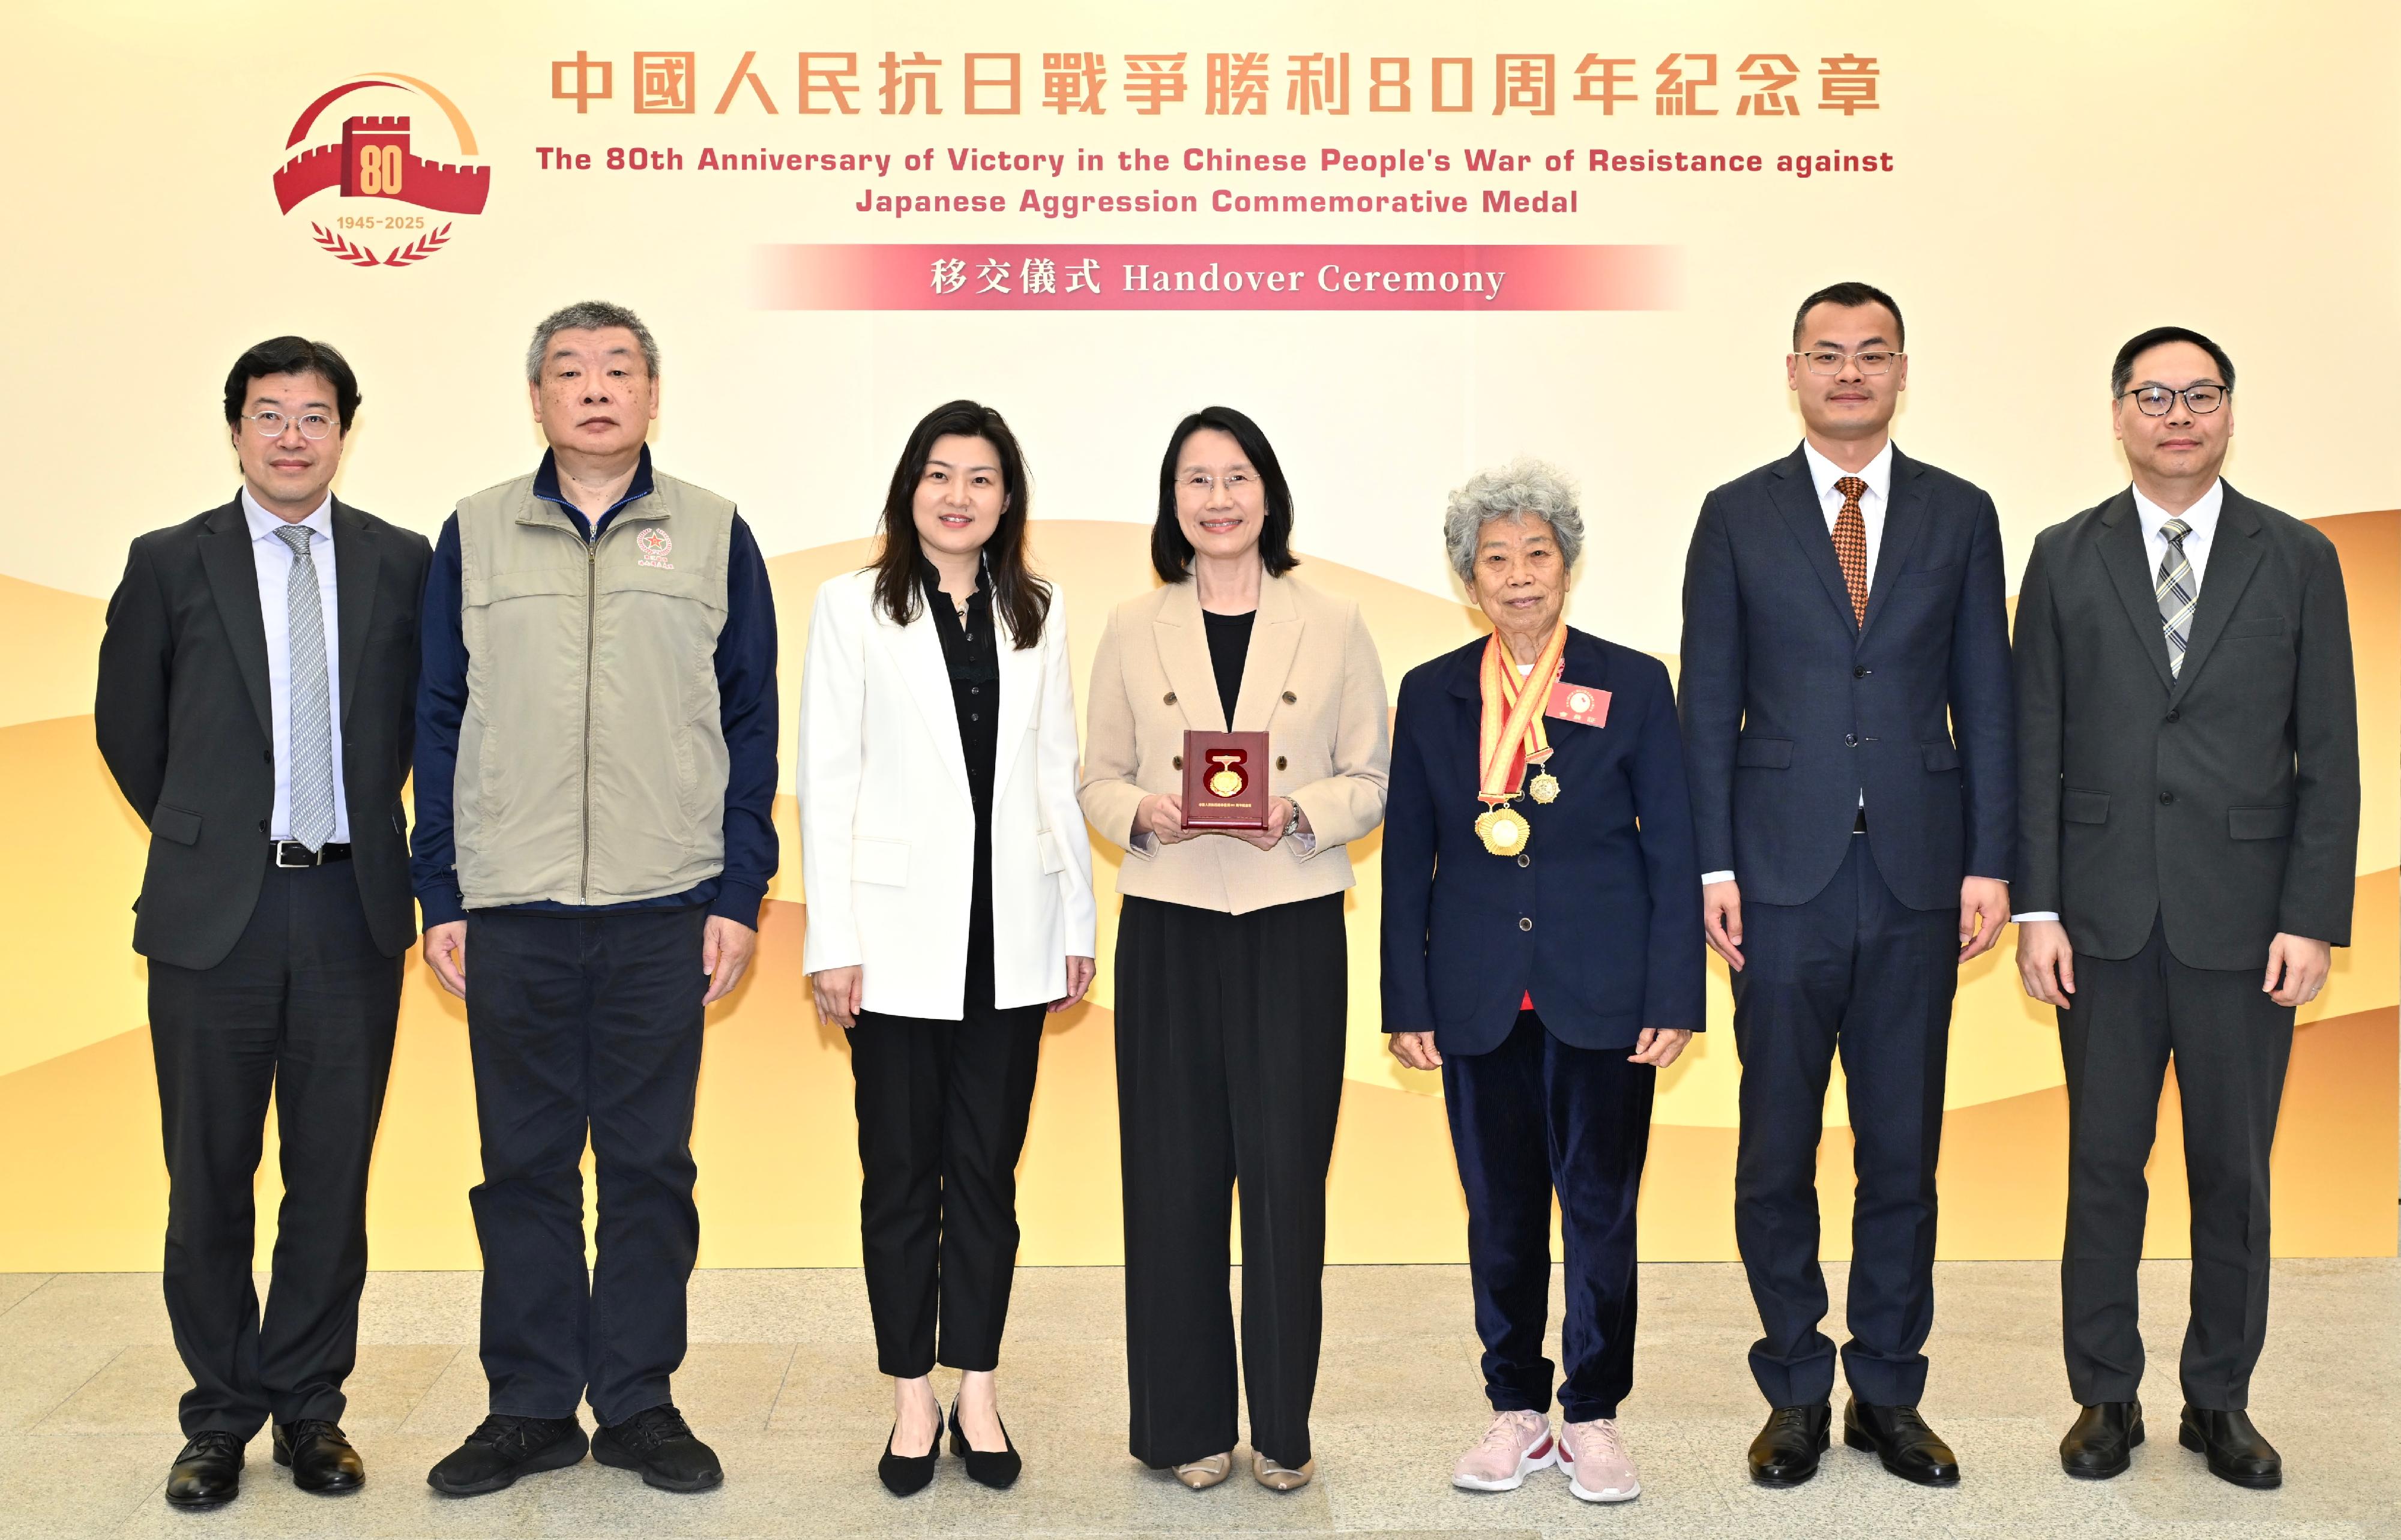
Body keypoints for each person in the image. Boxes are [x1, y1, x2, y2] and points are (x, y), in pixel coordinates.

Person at [411, 301, 779, 1497]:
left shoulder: (717, 533)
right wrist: (441, 889)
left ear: (651, 395)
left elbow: (748, 724)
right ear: (537, 399)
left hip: (662, 905)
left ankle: (635, 1399)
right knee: (520, 1165)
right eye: (569, 371)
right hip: (510, 905)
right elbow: (437, 716)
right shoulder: (471, 536)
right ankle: (525, 1403)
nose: (595, 388)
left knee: (646, 1166)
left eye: (618, 368)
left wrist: (737, 889)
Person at [1678, 281, 2014, 1488]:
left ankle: (1885, 1389)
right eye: (1826, 353)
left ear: (1900, 369)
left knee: (1900, 1150)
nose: (1849, 372)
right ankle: (1791, 1390)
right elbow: (1703, 702)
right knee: (1773, 1148)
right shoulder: (1734, 514)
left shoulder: (1959, 513)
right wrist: (1709, 862)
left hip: (1920, 873)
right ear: (1792, 370)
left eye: (1871, 353)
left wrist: (1990, 858)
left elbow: (1986, 695)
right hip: (1774, 875)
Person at [2013, 326, 2358, 1490]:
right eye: (2151, 395)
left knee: (2233, 1171)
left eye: (2197, 394)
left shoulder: (2296, 556)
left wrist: (2309, 915)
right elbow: (2035, 747)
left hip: (2244, 922)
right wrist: (2035, 908)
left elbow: (2330, 754)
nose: (2175, 414)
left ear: (2226, 412)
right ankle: (2101, 1394)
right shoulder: (2062, 557)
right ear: (2114, 413)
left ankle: (2218, 1399)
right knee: (2102, 1166)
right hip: (2097, 923)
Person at [95, 338, 430, 1509]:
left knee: (330, 1177)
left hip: (350, 907)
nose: (293, 436)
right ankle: (218, 1418)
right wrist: (208, 832)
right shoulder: (168, 561)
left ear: (347, 430)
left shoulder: (402, 563)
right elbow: (128, 731)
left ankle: (310, 1412)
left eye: (316, 415)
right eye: (270, 415)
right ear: (235, 429)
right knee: (209, 1178)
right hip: (212, 919)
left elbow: (422, 730)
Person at [1078, 406, 1390, 1493]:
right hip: (1168, 921)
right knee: (1170, 1180)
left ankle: (1285, 1426)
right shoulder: (1131, 623)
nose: (1218, 498)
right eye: (1196, 480)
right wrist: (1144, 813)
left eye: (1237, 476)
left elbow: (1372, 777)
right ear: (1173, 502)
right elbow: (1095, 779)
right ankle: (1185, 1426)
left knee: (1286, 1178)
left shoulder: (1336, 619)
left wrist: (1300, 812)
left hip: (1290, 919)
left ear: (1269, 493)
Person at [1382, 462, 1702, 1504]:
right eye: (1495, 560)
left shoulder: (1635, 681)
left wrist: (1675, 995)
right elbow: (1409, 857)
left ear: (1568, 565)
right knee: (1502, 1213)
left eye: (1537, 555)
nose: (1520, 578)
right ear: (1468, 579)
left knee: (1602, 1209)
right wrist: (1406, 998)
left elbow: (1673, 848)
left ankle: (1595, 1414)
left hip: (1604, 993)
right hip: (1478, 995)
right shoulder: (1432, 692)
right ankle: (1517, 1406)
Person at [797, 400, 1097, 1495]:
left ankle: (977, 1382)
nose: (958, 495)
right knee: (897, 1176)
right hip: (891, 942)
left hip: (1009, 935)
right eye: (939, 474)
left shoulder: (1041, 608)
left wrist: (1074, 921)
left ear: (1007, 497)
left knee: (986, 1176)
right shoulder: (850, 606)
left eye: (980, 477)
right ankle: (910, 1396)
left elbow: (1057, 768)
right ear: (908, 489)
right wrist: (832, 939)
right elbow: (828, 778)